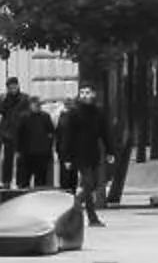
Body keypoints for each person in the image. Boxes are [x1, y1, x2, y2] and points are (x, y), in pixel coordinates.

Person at [57, 86, 110, 227]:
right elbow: (67, 136)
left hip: (93, 153)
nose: (84, 95)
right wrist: (66, 157)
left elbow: (105, 133)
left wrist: (110, 151)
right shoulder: (74, 113)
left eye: (87, 92)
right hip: (79, 154)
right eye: (82, 93)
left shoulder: (98, 112)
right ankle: (92, 217)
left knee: (94, 184)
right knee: (88, 183)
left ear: (93, 94)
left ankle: (71, 206)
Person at [13, 94, 57, 189]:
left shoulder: (45, 116)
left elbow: (51, 132)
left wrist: (48, 147)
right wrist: (18, 150)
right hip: (26, 153)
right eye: (35, 104)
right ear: (30, 105)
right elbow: (18, 134)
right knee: (24, 180)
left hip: (41, 154)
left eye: (39, 104)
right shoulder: (23, 117)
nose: (37, 106)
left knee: (40, 181)